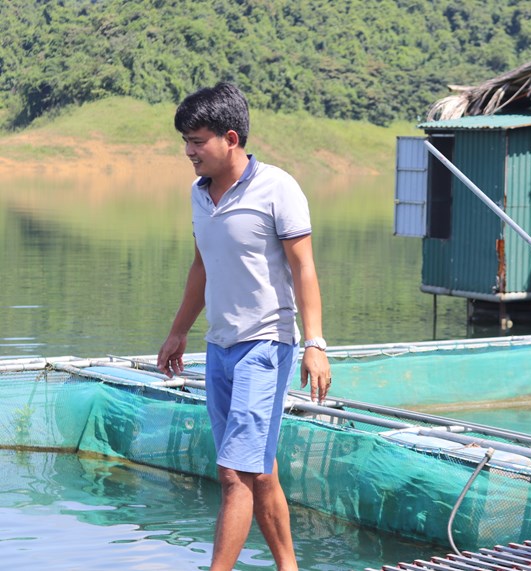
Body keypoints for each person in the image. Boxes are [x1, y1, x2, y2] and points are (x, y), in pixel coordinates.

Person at [156, 81, 332, 571]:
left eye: (198, 141)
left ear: (230, 138)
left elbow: (304, 269)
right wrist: (178, 331)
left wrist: (315, 343)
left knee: (235, 473)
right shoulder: (199, 195)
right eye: (185, 143)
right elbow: (201, 266)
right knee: (261, 470)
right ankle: (289, 567)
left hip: (267, 344)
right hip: (220, 347)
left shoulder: (278, 188)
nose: (189, 152)